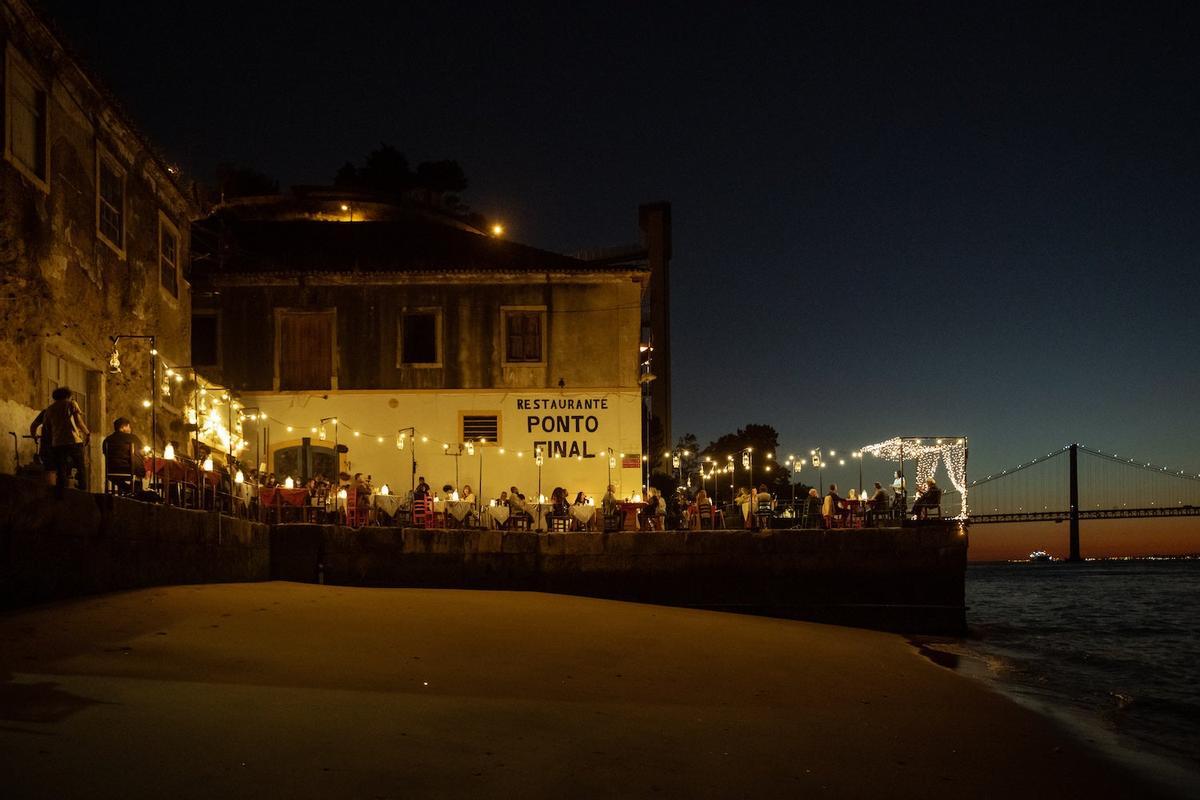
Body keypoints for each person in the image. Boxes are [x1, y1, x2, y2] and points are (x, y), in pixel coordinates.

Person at [34, 386, 90, 491]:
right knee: (80, 466)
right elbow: (78, 421)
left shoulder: (49, 410)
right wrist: (87, 433)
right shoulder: (71, 404)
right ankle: (83, 489)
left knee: (61, 469)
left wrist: (37, 437)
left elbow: (45, 427)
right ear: (68, 396)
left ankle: (61, 492)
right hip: (74, 441)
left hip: (58, 443)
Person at [101, 417, 145, 491]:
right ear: (123, 427)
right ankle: (135, 492)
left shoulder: (107, 440)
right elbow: (142, 451)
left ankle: (128, 490)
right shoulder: (132, 437)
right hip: (127, 469)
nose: (130, 429)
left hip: (111, 469)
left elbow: (105, 453)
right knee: (138, 459)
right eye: (129, 426)